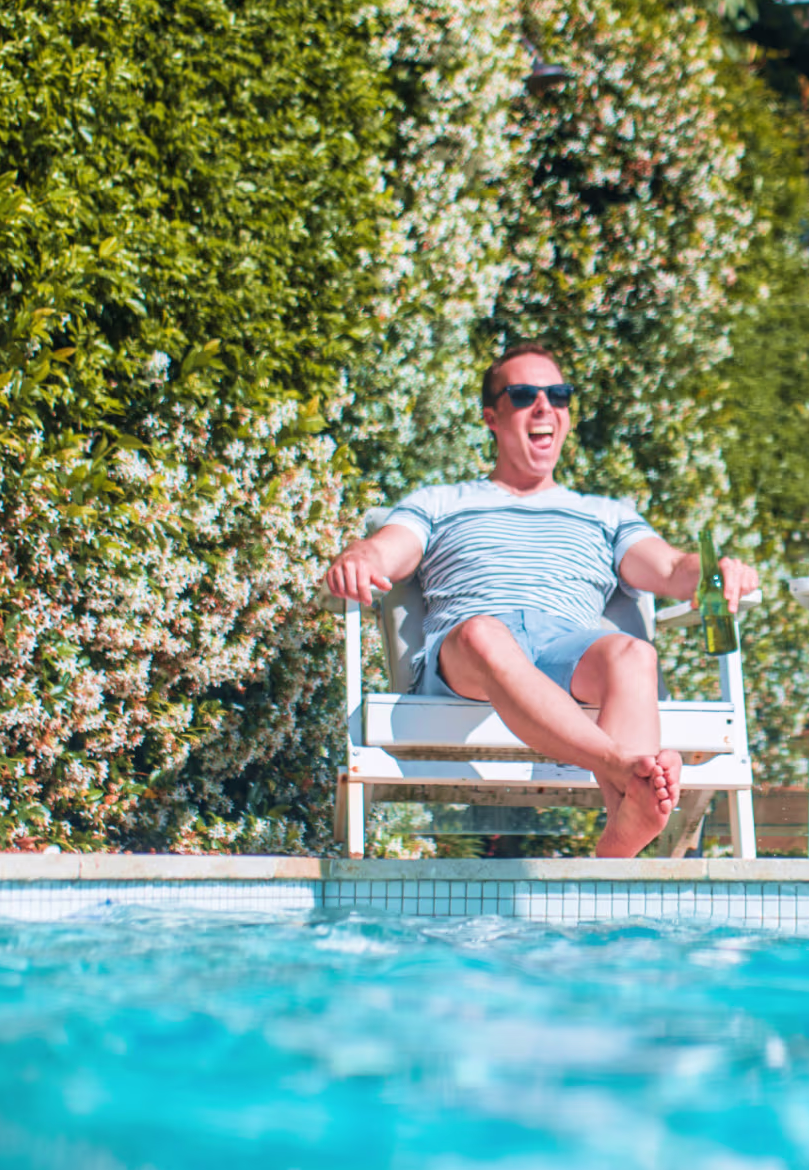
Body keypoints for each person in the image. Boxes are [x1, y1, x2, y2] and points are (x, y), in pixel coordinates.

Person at [323, 342, 758, 859]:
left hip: (566, 645)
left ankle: (616, 847)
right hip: (469, 652)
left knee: (633, 654)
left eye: (558, 395)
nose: (544, 406)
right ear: (492, 417)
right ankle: (625, 770)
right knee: (486, 633)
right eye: (524, 394)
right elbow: (387, 550)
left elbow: (669, 568)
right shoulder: (440, 501)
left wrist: (715, 570)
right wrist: (361, 555)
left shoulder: (605, 514)